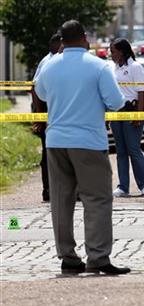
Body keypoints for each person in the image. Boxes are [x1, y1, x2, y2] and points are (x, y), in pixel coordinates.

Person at [34, 20, 130, 275]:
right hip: (88, 141)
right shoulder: (98, 67)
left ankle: (67, 256)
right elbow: (115, 102)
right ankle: (98, 256)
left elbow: (41, 95)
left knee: (61, 201)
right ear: (85, 38)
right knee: (96, 199)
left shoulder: (49, 65)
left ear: (62, 40)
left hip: (55, 142)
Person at [109, 38, 144, 198]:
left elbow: (141, 92)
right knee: (120, 151)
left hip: (132, 109)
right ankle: (123, 186)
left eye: (113, 51)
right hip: (117, 112)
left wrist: (138, 114)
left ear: (122, 51)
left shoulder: (135, 67)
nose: (111, 54)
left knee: (133, 149)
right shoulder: (113, 68)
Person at [31, 33, 62, 202]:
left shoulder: (59, 61)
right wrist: (39, 116)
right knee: (49, 154)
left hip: (58, 113)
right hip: (49, 114)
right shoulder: (48, 62)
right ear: (57, 45)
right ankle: (48, 190)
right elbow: (34, 89)